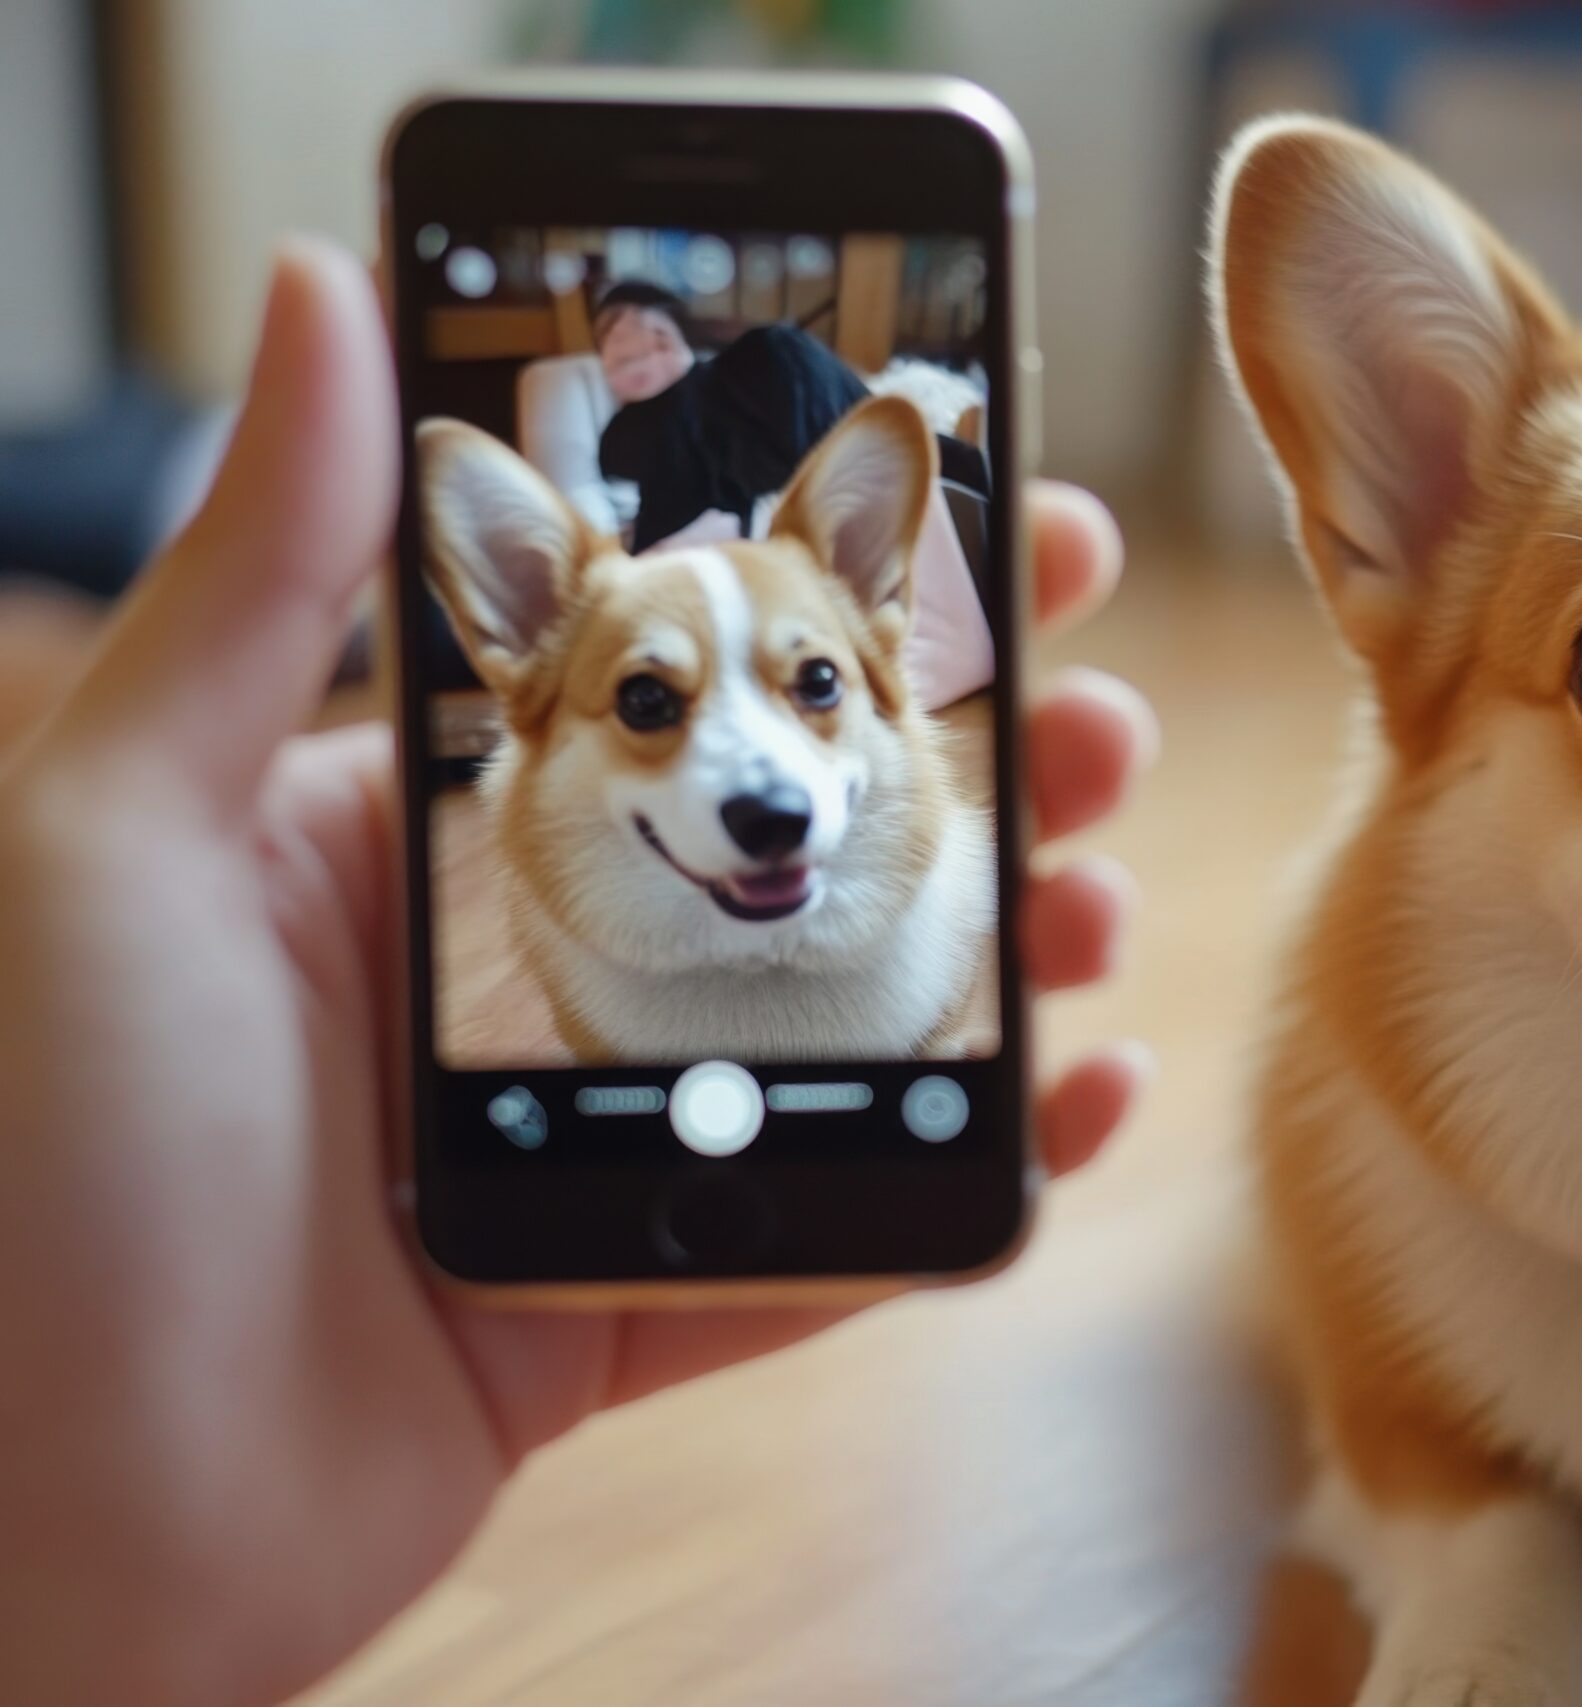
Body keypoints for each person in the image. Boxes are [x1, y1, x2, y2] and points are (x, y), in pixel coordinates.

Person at [0, 243, 1157, 1707]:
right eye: (654, 705)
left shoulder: (772, 426)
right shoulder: (594, 529)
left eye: (814, 687)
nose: (767, 785)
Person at [592, 279, 989, 556]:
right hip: (827, 482)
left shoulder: (757, 355)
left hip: (843, 460)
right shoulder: (631, 432)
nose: (639, 345)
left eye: (656, 333)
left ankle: (944, 471)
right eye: (618, 347)